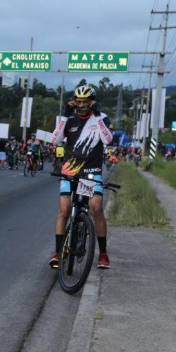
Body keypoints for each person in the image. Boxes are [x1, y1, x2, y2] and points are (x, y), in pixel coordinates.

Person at [49, 84, 114, 269]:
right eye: (78, 101)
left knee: (96, 208)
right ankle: (57, 251)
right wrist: (64, 113)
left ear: (92, 102)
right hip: (70, 170)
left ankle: (103, 254)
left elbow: (108, 139)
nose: (82, 105)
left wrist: (97, 116)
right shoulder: (69, 120)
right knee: (64, 209)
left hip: (91, 171)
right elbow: (55, 139)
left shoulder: (102, 118)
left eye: (86, 102)